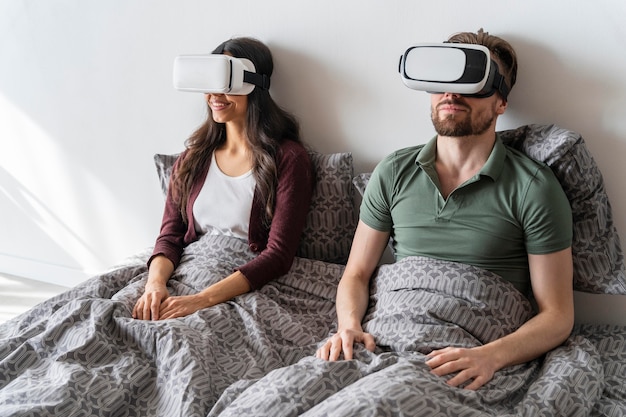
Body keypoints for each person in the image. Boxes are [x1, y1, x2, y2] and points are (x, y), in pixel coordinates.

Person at [316, 29, 574, 391]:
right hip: (384, 336)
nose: (452, 93)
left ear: (501, 102)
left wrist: (491, 356)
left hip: (466, 351)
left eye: (473, 82)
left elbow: (558, 315)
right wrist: (348, 327)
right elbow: (357, 273)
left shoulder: (533, 187)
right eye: (442, 79)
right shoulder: (393, 171)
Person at [133, 37, 314, 321]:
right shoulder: (192, 158)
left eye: (227, 82)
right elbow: (169, 236)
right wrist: (154, 285)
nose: (215, 95)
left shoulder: (289, 159)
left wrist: (199, 301)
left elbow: (278, 255)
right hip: (182, 273)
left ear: (256, 84)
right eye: (210, 81)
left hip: (235, 287)